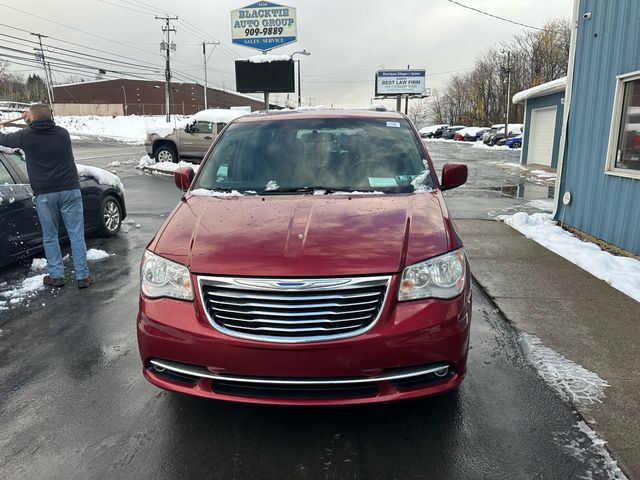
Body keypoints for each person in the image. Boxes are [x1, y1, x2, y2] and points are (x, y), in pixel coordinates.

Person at [0, 104, 93, 288]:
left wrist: (28, 122)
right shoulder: (63, 134)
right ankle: (83, 277)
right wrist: (32, 119)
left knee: (50, 237)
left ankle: (56, 276)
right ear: (50, 117)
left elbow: (4, 139)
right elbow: (44, 124)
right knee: (76, 235)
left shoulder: (25, 136)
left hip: (45, 194)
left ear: (31, 118)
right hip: (69, 191)